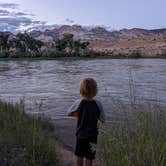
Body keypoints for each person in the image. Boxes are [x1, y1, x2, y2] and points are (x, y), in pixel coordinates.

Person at [67, 78, 106, 166]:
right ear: (95, 90)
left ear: (81, 90)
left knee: (79, 155)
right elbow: (103, 119)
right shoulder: (98, 103)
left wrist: (77, 115)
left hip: (81, 134)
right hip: (93, 135)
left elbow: (68, 113)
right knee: (89, 157)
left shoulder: (78, 102)